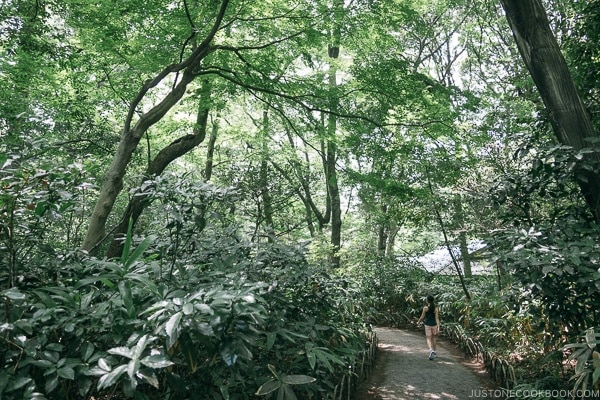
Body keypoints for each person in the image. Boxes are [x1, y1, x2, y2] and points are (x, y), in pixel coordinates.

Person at [416, 294, 441, 360]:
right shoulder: (435, 308)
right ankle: (434, 352)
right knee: (434, 338)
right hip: (434, 325)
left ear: (427, 301)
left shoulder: (425, 308)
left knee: (428, 338)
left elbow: (422, 317)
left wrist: (418, 322)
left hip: (427, 324)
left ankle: (431, 350)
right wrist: (438, 327)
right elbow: (437, 318)